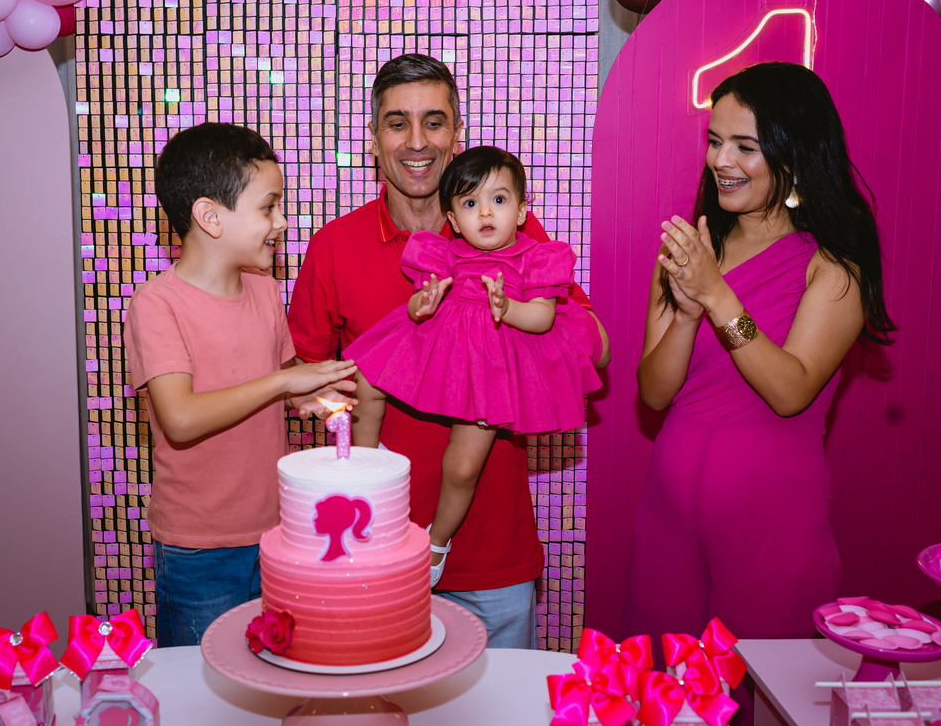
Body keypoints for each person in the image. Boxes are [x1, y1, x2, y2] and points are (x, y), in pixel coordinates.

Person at [288, 54, 610, 647]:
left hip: (491, 561)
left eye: (434, 122)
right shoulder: (334, 246)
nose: (417, 141)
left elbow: (595, 347)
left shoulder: (514, 238)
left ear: (456, 131)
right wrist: (328, 396)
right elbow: (301, 372)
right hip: (373, 549)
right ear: (373, 137)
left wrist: (519, 318)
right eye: (397, 123)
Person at [624, 62, 896, 650]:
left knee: (763, 694)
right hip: (668, 518)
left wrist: (716, 294)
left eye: (745, 147)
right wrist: (689, 309)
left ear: (791, 154)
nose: (722, 161)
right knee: (662, 692)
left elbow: (790, 389)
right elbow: (653, 391)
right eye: (715, 142)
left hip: (773, 524)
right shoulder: (692, 249)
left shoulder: (833, 263)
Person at [124, 123, 358, 647]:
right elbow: (180, 419)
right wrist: (283, 380)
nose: (281, 222)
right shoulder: (158, 305)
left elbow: (290, 393)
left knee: (268, 672)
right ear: (210, 217)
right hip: (199, 548)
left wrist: (328, 392)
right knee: (204, 682)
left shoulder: (263, 290)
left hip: (275, 533)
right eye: (268, 207)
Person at [344, 147, 604, 587]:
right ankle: (368, 460)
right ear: (452, 217)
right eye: (470, 203)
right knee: (366, 375)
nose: (485, 212)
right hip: (439, 346)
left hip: (490, 370)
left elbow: (542, 318)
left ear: (522, 212)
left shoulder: (537, 258)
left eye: (499, 201)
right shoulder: (443, 254)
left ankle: (438, 542)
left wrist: (508, 307)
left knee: (462, 467)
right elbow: (417, 303)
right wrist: (421, 304)